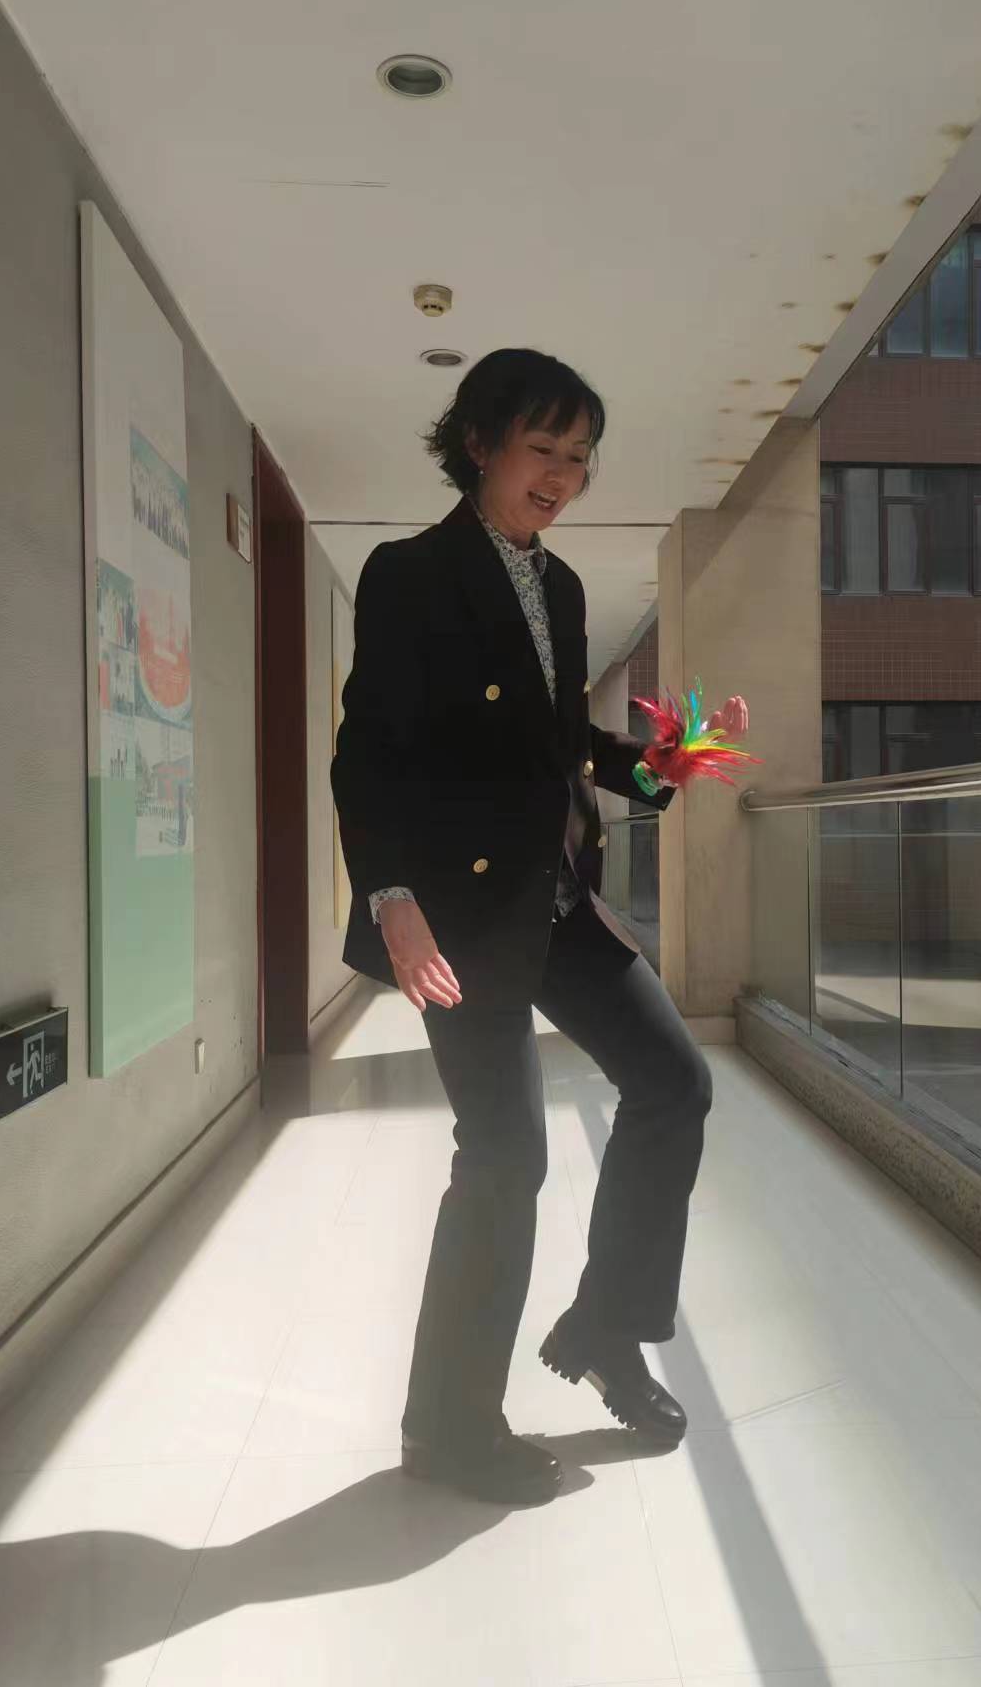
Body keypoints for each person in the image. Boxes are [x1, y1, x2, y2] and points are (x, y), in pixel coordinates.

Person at [331, 348, 749, 1506]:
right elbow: (367, 752)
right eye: (542, 449)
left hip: (556, 896)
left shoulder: (557, 587)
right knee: (506, 1154)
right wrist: (390, 895)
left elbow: (560, 743)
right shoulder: (410, 574)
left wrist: (662, 766)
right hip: (457, 913)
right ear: (479, 443)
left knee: (672, 1082)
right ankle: (448, 1425)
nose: (562, 475)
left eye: (579, 456)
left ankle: (608, 1325)